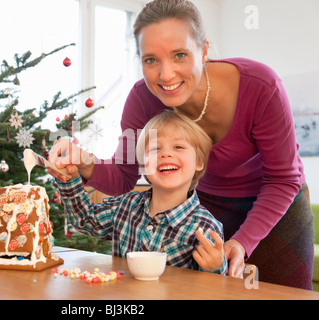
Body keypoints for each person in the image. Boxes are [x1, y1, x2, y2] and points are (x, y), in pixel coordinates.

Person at [49, 0, 314, 290]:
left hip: (276, 207)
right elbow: (124, 174)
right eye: (150, 60)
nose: (166, 75)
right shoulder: (140, 101)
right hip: (207, 206)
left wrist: (242, 241)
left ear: (203, 50)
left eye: (179, 55)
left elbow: (283, 179)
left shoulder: (262, 86)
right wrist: (85, 163)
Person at [55, 109, 228, 274]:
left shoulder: (206, 228)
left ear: (199, 162)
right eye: (155, 149)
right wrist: (69, 179)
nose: (166, 154)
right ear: (143, 164)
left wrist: (214, 266)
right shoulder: (125, 207)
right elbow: (83, 219)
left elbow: (214, 291)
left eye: (178, 147)